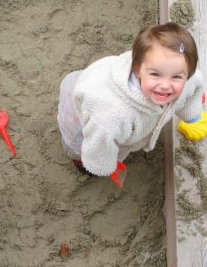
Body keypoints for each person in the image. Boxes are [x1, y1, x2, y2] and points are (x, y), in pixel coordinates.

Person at [57, 22, 206, 179]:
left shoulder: (186, 76)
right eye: (155, 74)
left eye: (176, 77)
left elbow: (193, 88)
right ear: (137, 68)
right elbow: (98, 144)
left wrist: (194, 116)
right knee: (78, 149)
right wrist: (103, 165)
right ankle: (82, 167)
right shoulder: (112, 116)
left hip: (100, 88)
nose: (165, 86)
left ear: (187, 74)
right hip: (80, 117)